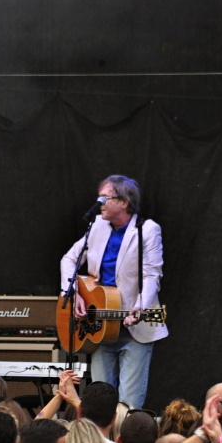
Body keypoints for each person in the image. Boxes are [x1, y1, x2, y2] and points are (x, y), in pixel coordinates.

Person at [60, 175, 168, 408]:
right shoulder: (97, 225)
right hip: (100, 326)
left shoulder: (147, 230)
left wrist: (140, 306)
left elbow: (152, 275)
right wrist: (74, 292)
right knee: (100, 400)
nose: (99, 203)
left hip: (134, 327)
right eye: (99, 197)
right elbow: (69, 259)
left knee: (128, 403)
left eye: (105, 197)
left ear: (124, 202)